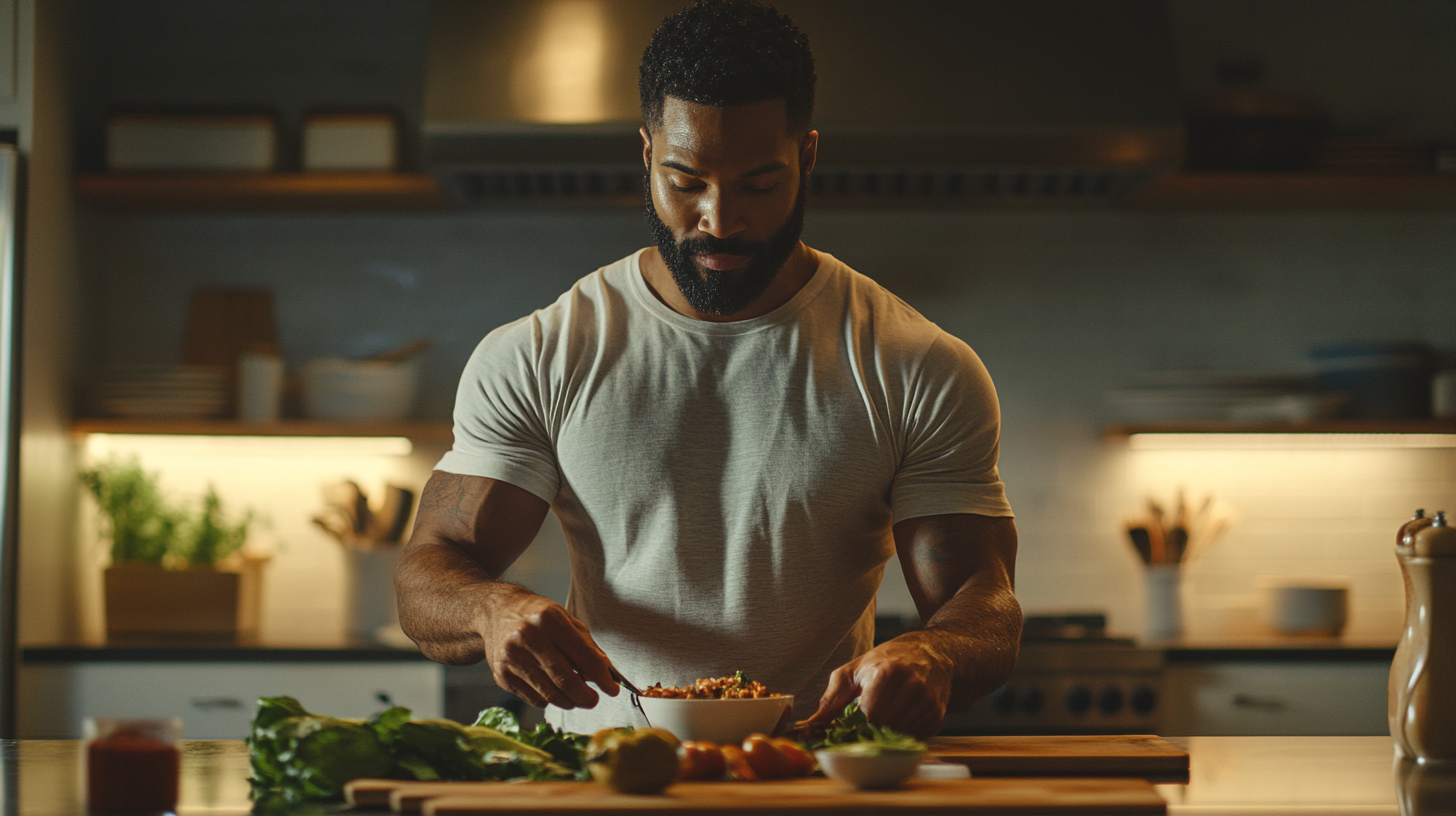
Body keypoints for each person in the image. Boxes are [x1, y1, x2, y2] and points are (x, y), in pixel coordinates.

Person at [396, 0, 1021, 740]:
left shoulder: (917, 365)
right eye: (685, 180)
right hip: (600, 778)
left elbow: (985, 599)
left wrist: (937, 650)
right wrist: (489, 610)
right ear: (645, 152)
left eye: (759, 183)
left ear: (808, 156)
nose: (720, 220)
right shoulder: (539, 353)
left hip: (806, 774)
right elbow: (429, 569)